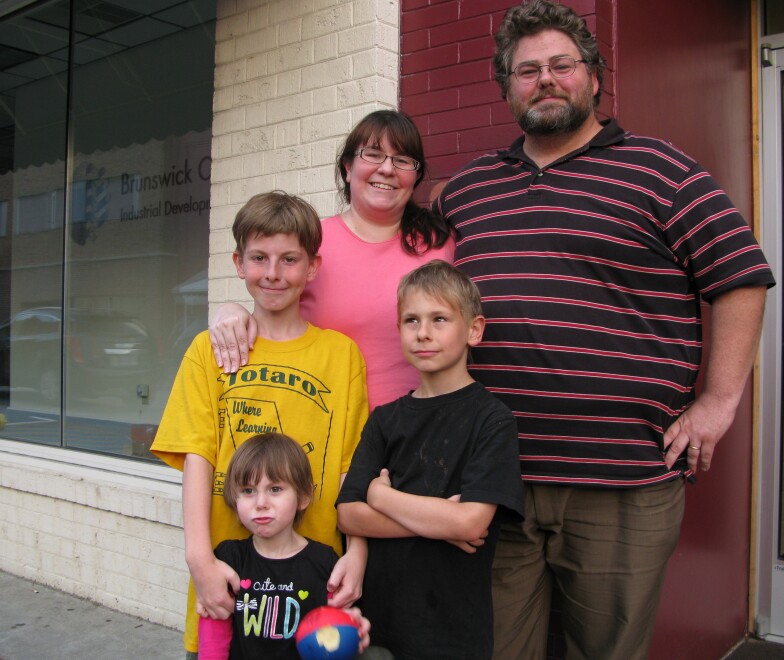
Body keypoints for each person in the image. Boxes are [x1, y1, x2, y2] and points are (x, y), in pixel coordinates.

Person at [434, 1, 776, 659]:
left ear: (595, 76)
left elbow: (740, 276)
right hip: (494, 479)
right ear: (506, 87)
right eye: (527, 70)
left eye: (562, 65)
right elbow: (385, 281)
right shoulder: (465, 193)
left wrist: (718, 401)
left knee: (606, 652)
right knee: (497, 647)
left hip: (624, 481)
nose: (546, 80)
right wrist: (252, 308)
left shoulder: (662, 172)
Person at [151, 191, 370, 657]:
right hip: (228, 583)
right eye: (259, 258)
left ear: (312, 267)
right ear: (238, 262)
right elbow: (198, 456)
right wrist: (200, 561)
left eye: (289, 259)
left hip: (314, 587)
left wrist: (357, 553)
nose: (273, 273)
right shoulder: (208, 350)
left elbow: (354, 468)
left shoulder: (341, 354)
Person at [336, 260, 524, 659]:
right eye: (411, 320)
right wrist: (440, 522)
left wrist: (382, 498)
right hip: (380, 621)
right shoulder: (384, 419)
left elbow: (470, 522)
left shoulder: (493, 420)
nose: (423, 333)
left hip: (453, 630)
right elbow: (349, 515)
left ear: (473, 329)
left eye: (439, 319)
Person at [209, 110, 455, 410]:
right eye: (374, 155)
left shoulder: (440, 246)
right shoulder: (311, 244)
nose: (387, 169)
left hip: (415, 432)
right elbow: (272, 308)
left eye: (402, 160)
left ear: (415, 176)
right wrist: (231, 311)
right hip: (319, 426)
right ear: (348, 167)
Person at [197, 432, 372, 659]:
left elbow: (337, 635)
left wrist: (352, 627)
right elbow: (213, 636)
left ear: (303, 496)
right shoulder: (228, 559)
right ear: (234, 498)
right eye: (248, 491)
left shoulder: (324, 562)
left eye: (275, 489)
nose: (261, 503)